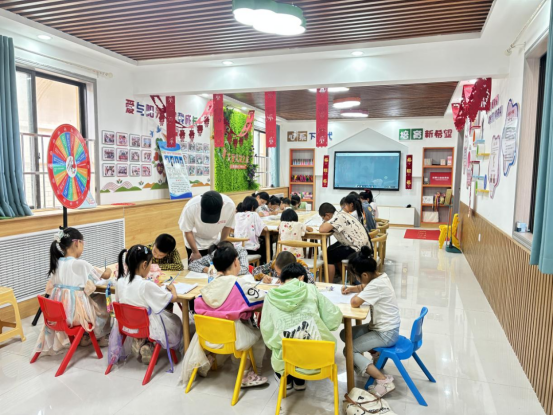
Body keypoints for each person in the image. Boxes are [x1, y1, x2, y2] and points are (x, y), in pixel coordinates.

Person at [182, 243, 268, 388]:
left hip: (207, 337)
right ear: (236, 262)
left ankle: (210, 357)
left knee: (226, 322)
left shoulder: (209, 286)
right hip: (230, 339)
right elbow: (261, 299)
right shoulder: (239, 285)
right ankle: (247, 373)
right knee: (257, 335)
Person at [260, 263, 343, 391]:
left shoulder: (271, 296)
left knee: (281, 344)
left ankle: (287, 379)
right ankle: (299, 380)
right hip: (319, 357)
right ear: (302, 278)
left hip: (286, 358)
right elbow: (333, 319)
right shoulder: (310, 289)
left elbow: (267, 330)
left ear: (281, 280)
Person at [34, 227, 112, 356]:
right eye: (83, 243)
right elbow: (105, 275)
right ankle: (99, 336)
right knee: (102, 300)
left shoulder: (56, 263)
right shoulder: (80, 264)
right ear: (77, 243)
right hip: (74, 315)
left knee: (94, 298)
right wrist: (108, 269)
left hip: (56, 316)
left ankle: (85, 337)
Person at [340, 246, 399, 398]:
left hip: (385, 333)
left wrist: (354, 294)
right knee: (345, 334)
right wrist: (352, 289)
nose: (357, 279)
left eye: (357, 276)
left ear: (365, 275)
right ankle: (375, 354)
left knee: (349, 350)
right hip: (384, 328)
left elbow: (354, 303)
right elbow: (364, 287)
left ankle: (383, 380)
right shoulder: (381, 277)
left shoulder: (376, 285)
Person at [111, 244, 182, 365]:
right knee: (175, 321)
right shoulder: (146, 285)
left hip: (126, 326)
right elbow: (172, 298)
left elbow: (120, 302)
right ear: (144, 265)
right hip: (146, 328)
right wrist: (173, 289)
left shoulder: (120, 282)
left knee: (147, 315)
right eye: (150, 264)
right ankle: (148, 343)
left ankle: (141, 342)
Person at [178, 190, 236, 263]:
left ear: (222, 204)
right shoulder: (191, 207)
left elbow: (227, 226)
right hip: (195, 243)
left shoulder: (230, 206)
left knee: (215, 267)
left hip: (215, 242)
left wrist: (221, 244)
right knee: (195, 267)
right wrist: (195, 252)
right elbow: (187, 231)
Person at [319, 202, 369, 282]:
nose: (324, 220)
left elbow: (322, 229)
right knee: (331, 249)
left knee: (329, 255)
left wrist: (324, 223)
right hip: (361, 245)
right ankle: (343, 275)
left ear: (327, 215)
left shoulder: (337, 218)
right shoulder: (341, 214)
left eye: (323, 218)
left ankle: (329, 283)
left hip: (357, 248)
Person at [234, 196, 268, 263]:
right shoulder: (254, 214)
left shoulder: (237, 215)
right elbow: (265, 229)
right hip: (250, 249)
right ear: (253, 207)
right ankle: (264, 264)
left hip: (237, 249)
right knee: (265, 244)